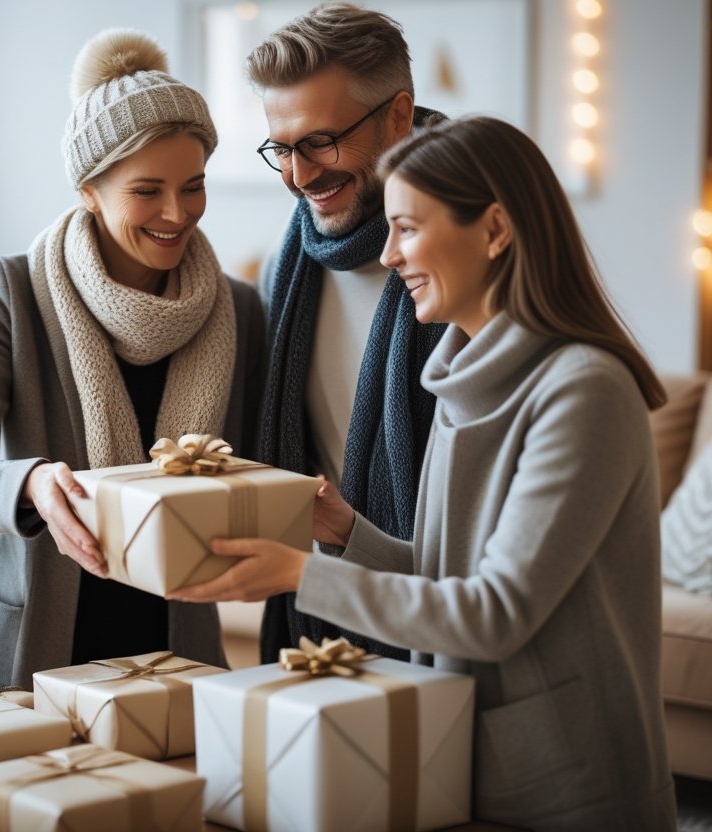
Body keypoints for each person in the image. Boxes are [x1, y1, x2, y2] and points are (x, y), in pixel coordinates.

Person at [170, 116, 677, 830]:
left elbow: (495, 612)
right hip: (463, 756)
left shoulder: (582, 390)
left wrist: (298, 574)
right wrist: (347, 533)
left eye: (407, 227)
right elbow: (448, 573)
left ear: (495, 230)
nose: (388, 253)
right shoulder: (462, 376)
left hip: (566, 780)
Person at [0, 29, 266, 689]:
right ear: (88, 189)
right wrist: (30, 486)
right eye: (147, 190)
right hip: (26, 656)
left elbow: (252, 474)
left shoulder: (240, 309)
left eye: (193, 186)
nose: (177, 213)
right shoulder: (13, 291)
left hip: (174, 654)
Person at [248, 2, 448, 662]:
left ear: (398, 115)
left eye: (321, 142)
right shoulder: (287, 270)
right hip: (323, 643)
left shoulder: (469, 261)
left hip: (443, 637)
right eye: (282, 148)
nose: (299, 176)